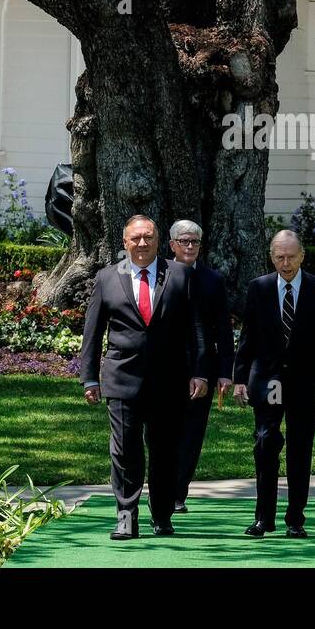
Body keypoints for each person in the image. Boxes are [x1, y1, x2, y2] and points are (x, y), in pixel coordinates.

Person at [79, 215, 207, 540]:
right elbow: (92, 334)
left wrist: (200, 372)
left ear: (158, 240)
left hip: (170, 382)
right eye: (135, 238)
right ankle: (126, 516)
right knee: (125, 452)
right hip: (122, 380)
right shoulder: (107, 278)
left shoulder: (179, 275)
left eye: (148, 237)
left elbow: (196, 329)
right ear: (125, 243)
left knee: (165, 451)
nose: (141, 243)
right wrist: (89, 378)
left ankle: (162, 516)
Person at [232, 230, 315, 538]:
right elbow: (247, 338)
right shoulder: (259, 288)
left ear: (302, 256)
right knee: (265, 443)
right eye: (280, 257)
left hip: (306, 383)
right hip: (269, 382)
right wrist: (239, 379)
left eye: (291, 256)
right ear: (271, 256)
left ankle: (295, 519)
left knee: (300, 449)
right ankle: (264, 518)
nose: (286, 263)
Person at [167, 219, 234, 513]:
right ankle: (163, 486)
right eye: (184, 241)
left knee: (192, 434)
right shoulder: (159, 276)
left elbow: (223, 329)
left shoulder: (212, 280)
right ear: (172, 245)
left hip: (203, 368)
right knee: (162, 432)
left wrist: (224, 372)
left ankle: (178, 493)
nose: (190, 246)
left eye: (195, 241)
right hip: (165, 366)